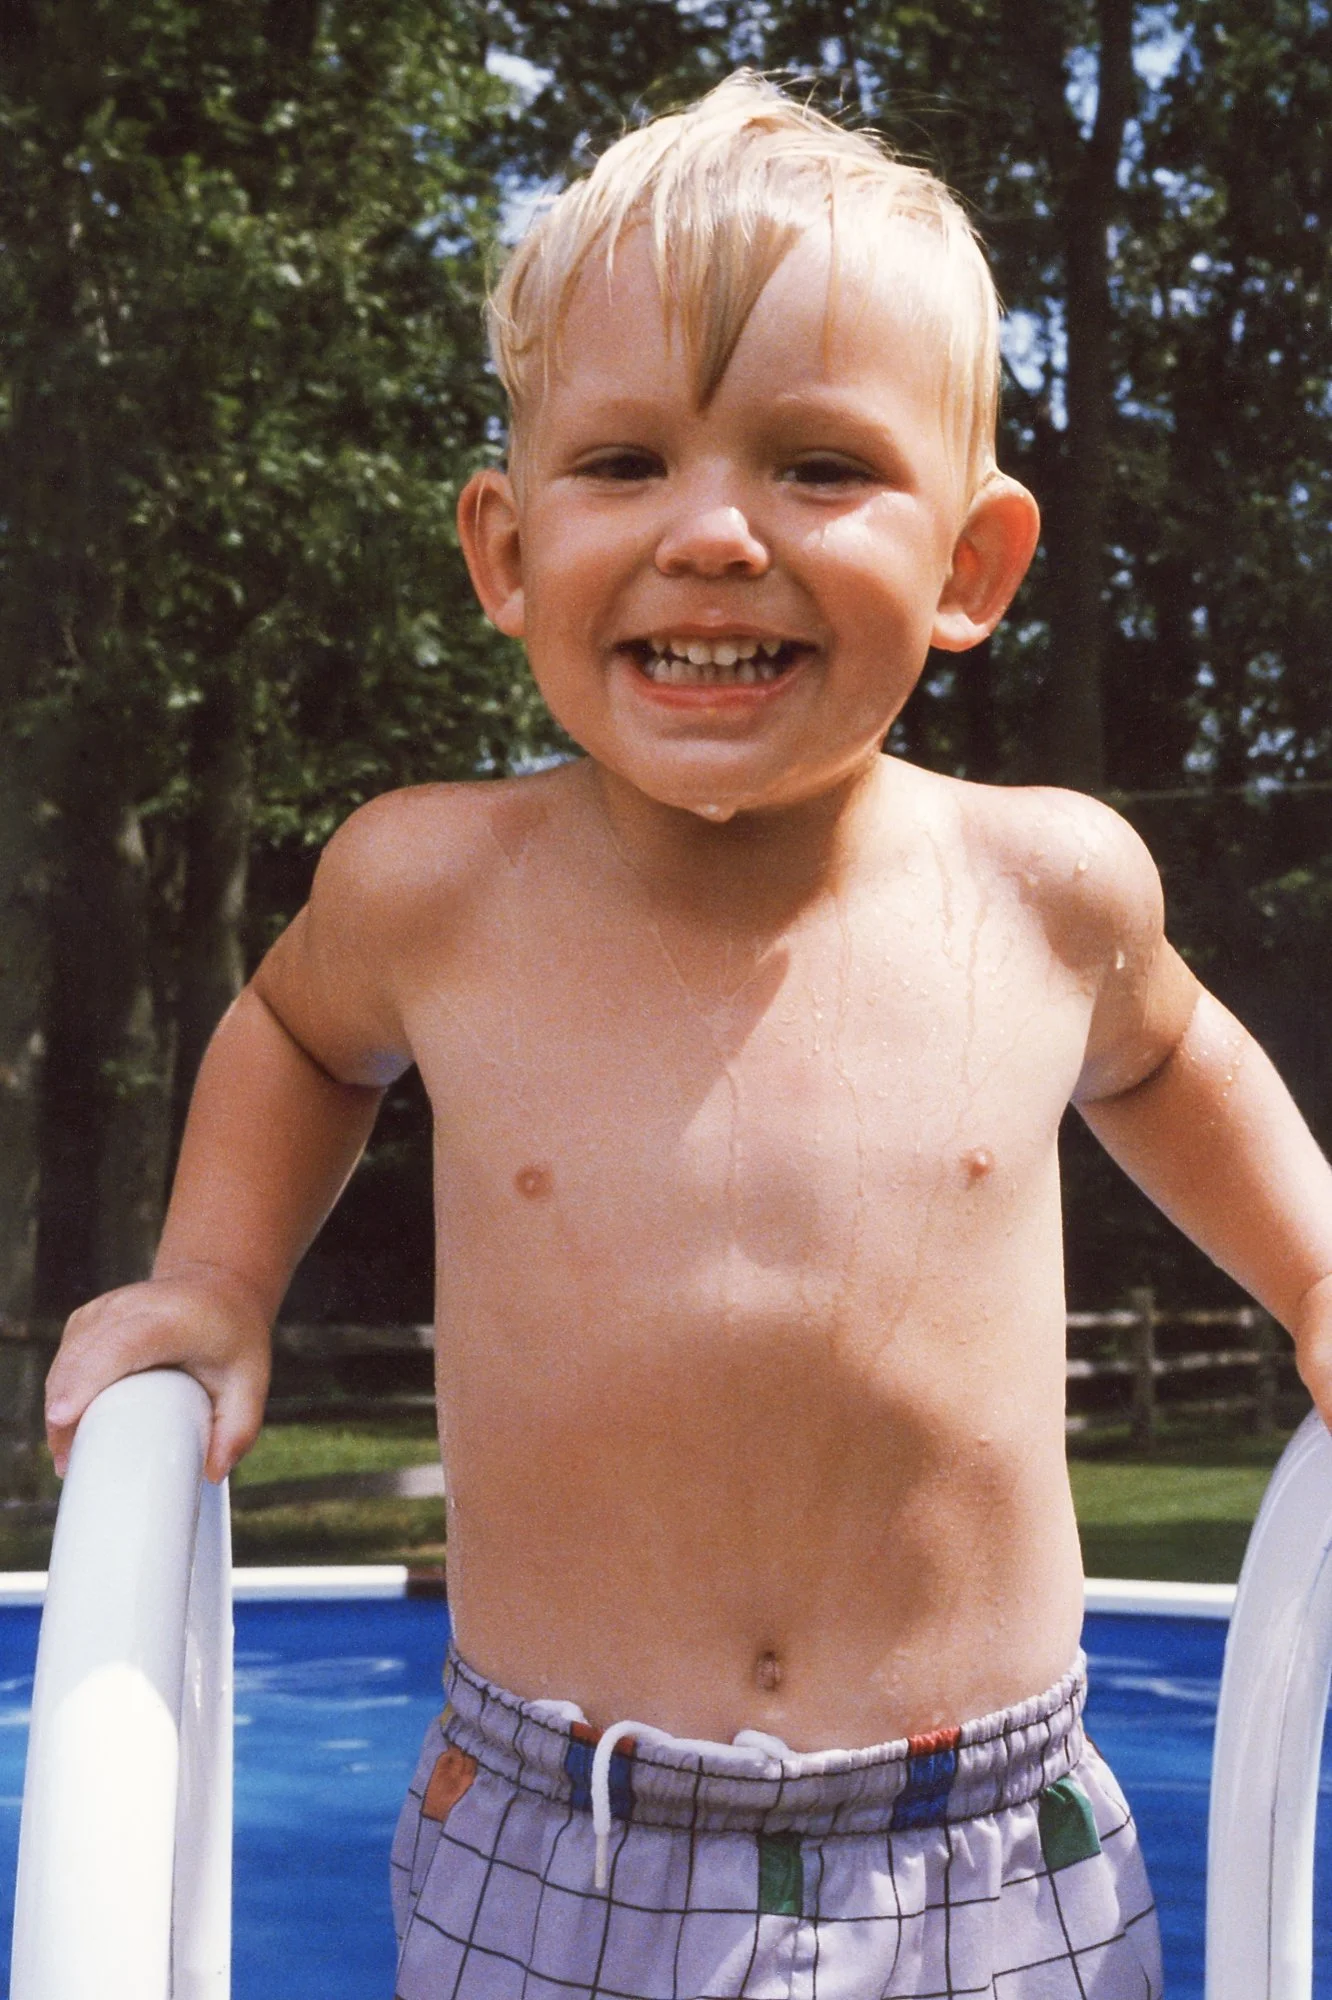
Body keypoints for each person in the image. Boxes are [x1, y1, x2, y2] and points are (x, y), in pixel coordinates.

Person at [45, 72, 1332, 1999]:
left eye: (819, 467)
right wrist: (219, 1282)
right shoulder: (431, 890)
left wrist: (1317, 1267)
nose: (715, 533)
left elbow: (1176, 1064)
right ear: (503, 549)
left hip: (993, 1847)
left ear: (973, 565)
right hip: (555, 1830)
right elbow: (299, 1039)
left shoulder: (1047, 890)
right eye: (625, 464)